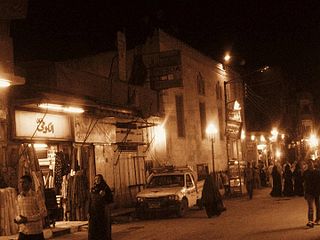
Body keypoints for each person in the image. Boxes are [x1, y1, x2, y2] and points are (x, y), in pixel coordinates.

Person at [15, 175, 47, 240]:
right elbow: (19, 212)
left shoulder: (37, 196)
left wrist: (27, 219)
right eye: (20, 182)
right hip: (23, 231)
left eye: (24, 182)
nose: (22, 184)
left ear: (30, 184)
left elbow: (44, 212)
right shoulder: (19, 197)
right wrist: (17, 219)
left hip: (35, 232)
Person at [88, 174, 113, 240]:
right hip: (94, 211)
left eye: (98, 179)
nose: (97, 180)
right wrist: (88, 211)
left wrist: (105, 195)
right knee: (94, 228)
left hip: (102, 211)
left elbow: (110, 199)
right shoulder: (93, 189)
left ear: (101, 180)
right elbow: (90, 200)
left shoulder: (105, 188)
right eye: (95, 179)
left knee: (102, 227)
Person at [303, 159, 319, 228]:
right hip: (309, 192)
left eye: (311, 163)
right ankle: (310, 221)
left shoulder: (318, 172)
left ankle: (318, 219)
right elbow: (304, 183)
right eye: (308, 164)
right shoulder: (306, 173)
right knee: (311, 207)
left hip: (317, 191)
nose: (310, 165)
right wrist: (305, 192)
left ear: (313, 164)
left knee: (318, 206)